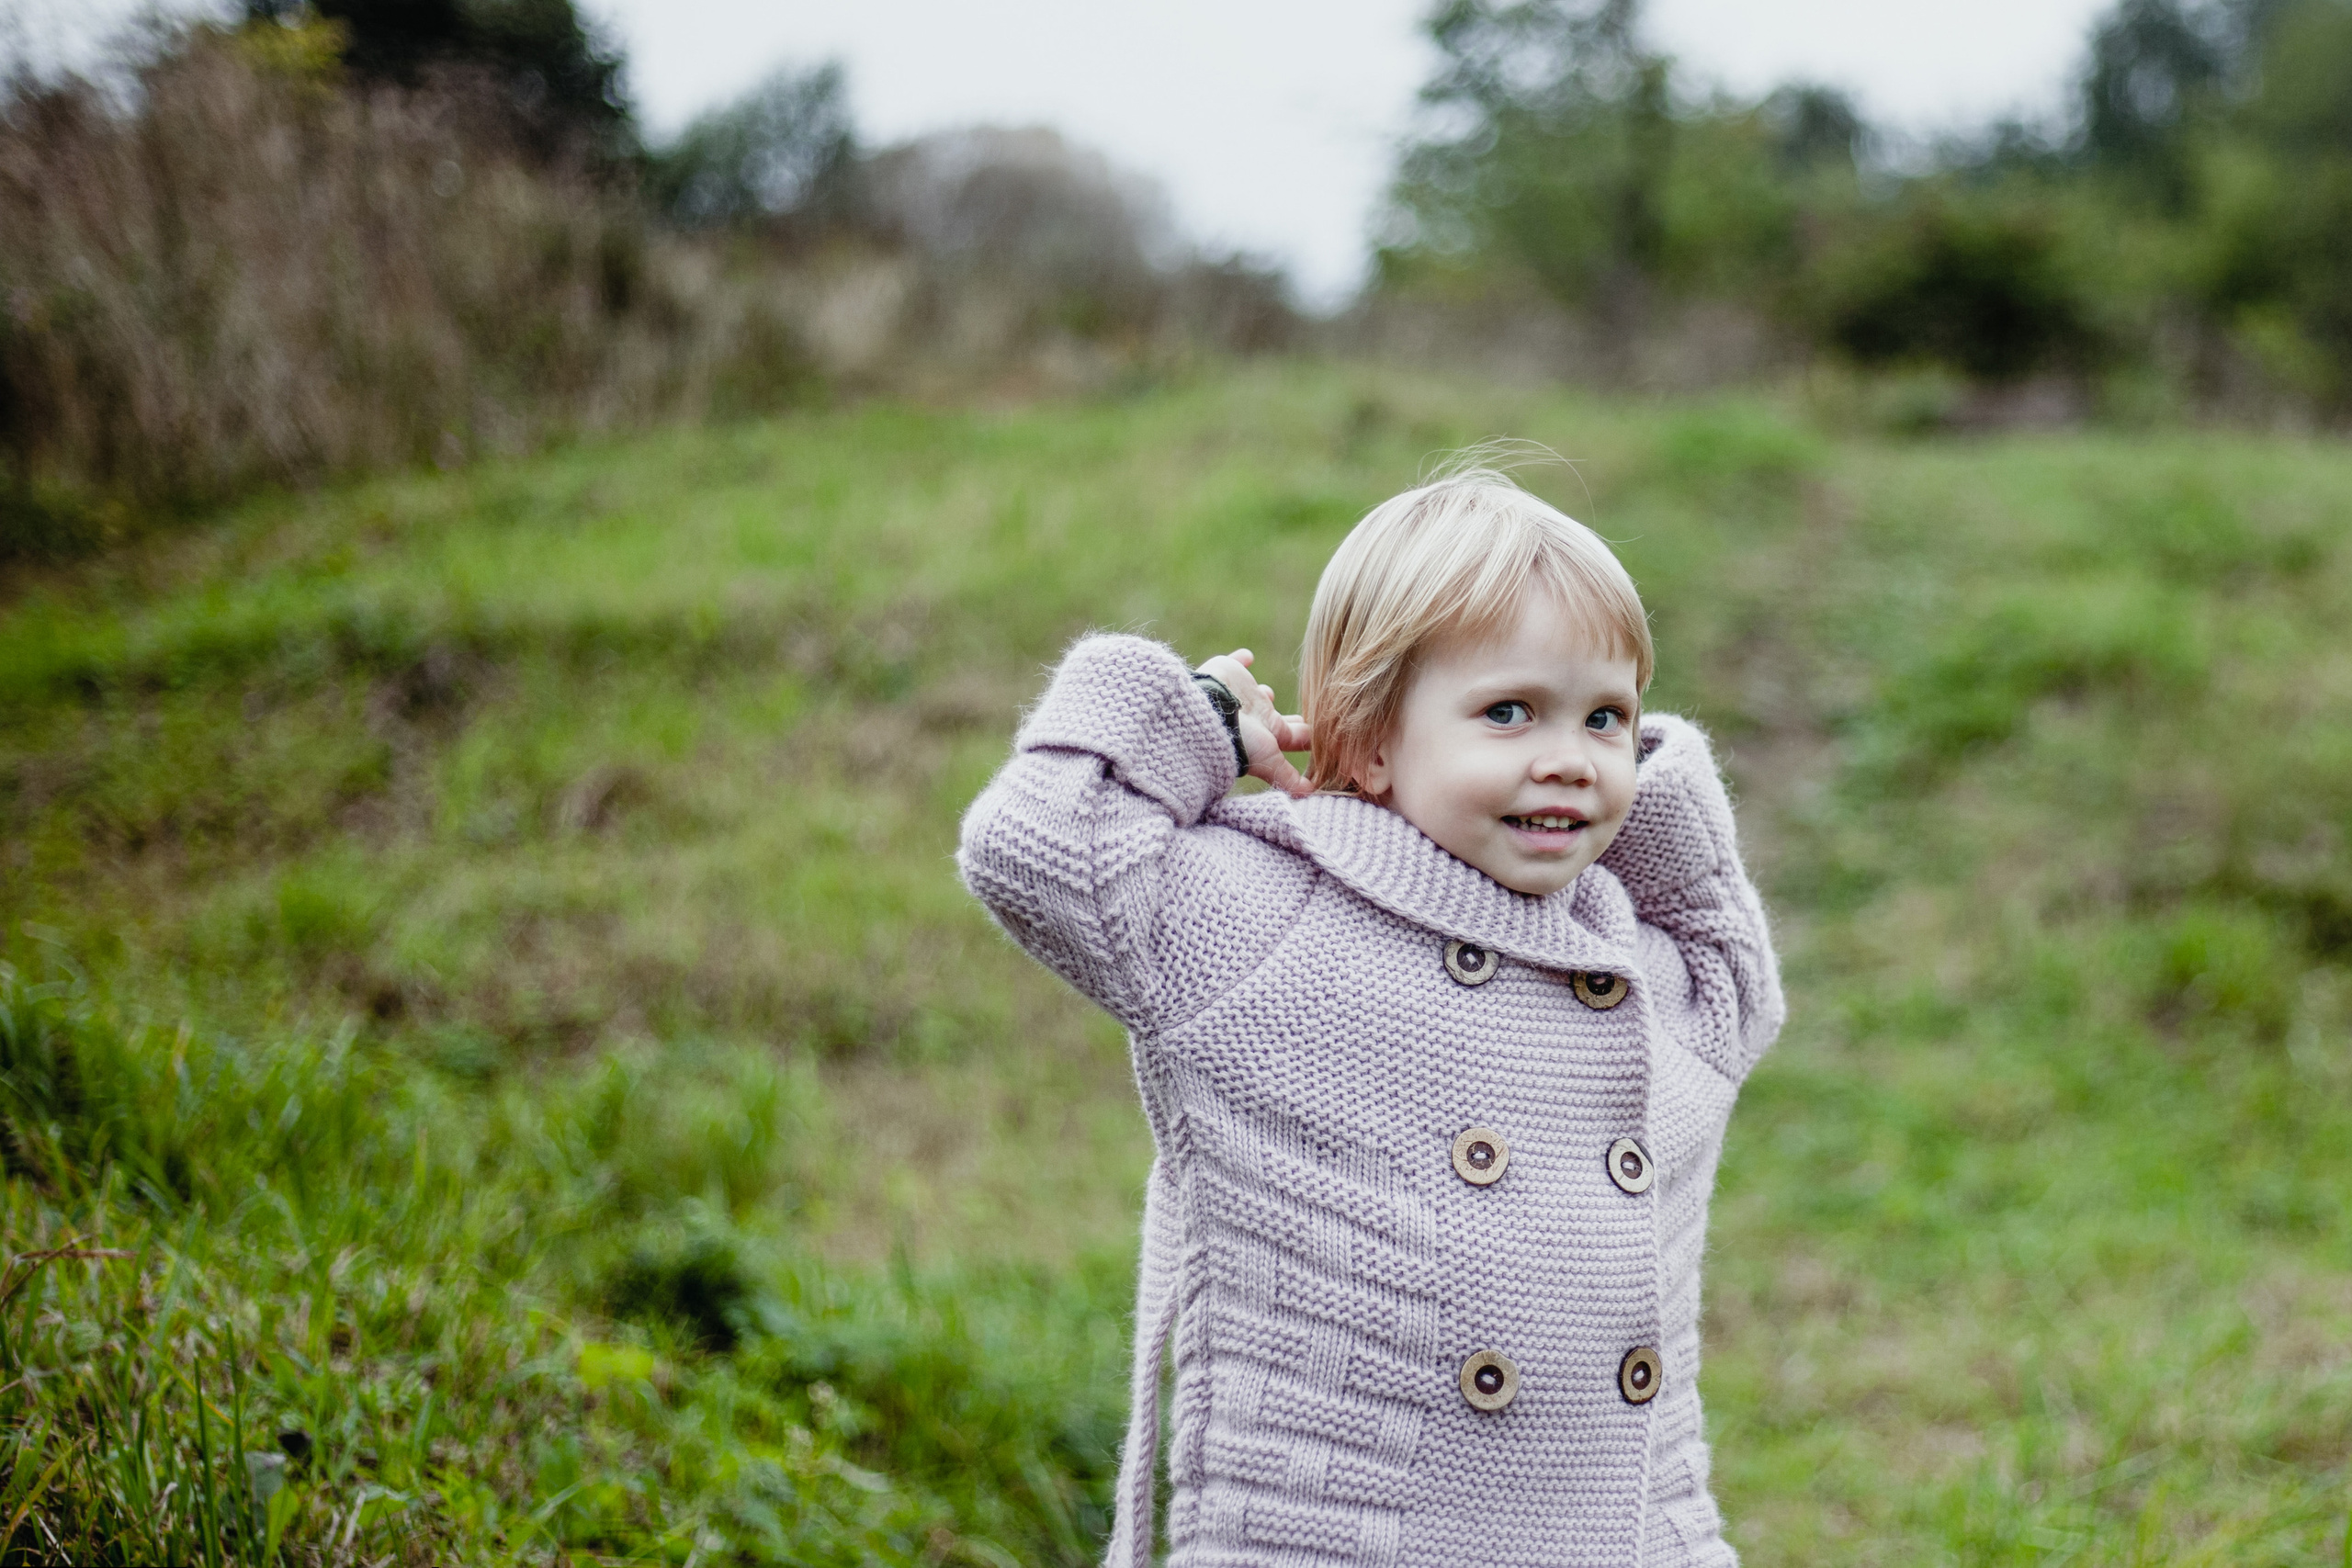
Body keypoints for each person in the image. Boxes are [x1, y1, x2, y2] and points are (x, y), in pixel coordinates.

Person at [957, 457, 1784, 1565]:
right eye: (1508, 711)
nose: (1569, 760)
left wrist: (1656, 783)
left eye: (1606, 718)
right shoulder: (1265, 916)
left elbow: (1733, 972)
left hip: (1638, 1539)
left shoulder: (1632, 964)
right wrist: (1196, 717)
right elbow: (1037, 847)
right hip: (1336, 1537)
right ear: (1371, 736)